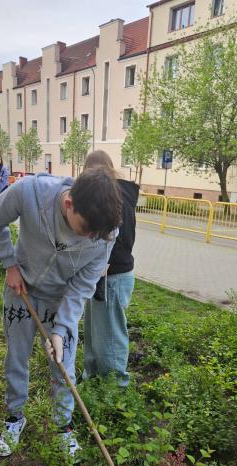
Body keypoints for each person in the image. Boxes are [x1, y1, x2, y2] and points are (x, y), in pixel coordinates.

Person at [0, 168, 122, 457]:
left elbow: (84, 283)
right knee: (17, 357)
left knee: (63, 364)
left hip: (61, 299)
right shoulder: (29, 192)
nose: (91, 238)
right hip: (22, 291)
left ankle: (63, 426)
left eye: (97, 234)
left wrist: (61, 328)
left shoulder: (105, 235)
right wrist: (10, 264)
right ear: (69, 204)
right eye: (85, 230)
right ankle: (14, 418)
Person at [81, 151, 138, 388]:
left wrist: (101, 265)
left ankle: (116, 389)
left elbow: (119, 240)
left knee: (111, 337)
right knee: (95, 333)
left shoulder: (118, 198)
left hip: (112, 276)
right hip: (100, 275)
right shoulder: (109, 194)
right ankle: (92, 378)